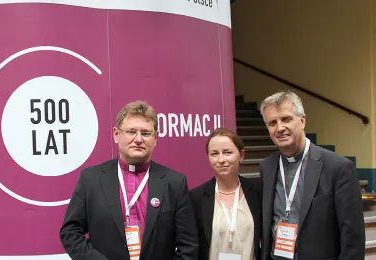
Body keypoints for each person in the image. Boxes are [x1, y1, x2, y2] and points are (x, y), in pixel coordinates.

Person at [59, 100, 199, 260]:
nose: (138, 139)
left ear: (155, 138)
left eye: (146, 133)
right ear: (116, 135)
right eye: (131, 132)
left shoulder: (174, 183)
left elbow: (188, 246)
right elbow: (70, 232)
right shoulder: (91, 179)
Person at [259, 91, 365, 260]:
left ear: (302, 121)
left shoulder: (338, 167)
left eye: (286, 119)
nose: (279, 128)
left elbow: (353, 237)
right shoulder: (267, 167)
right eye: (272, 123)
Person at [190, 128, 262, 260]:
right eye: (214, 154)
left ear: (241, 155)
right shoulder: (195, 198)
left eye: (228, 152)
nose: (221, 159)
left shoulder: (258, 192)